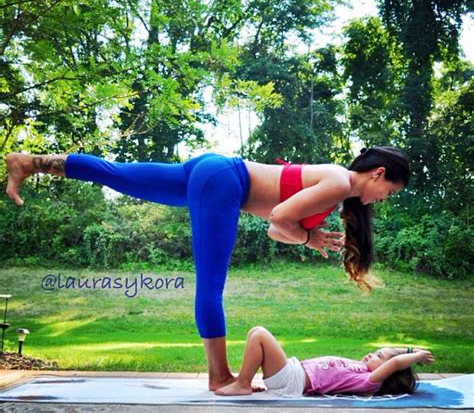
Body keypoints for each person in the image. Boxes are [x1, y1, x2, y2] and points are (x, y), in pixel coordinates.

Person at [4, 146, 410, 390]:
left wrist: (306, 237)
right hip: (224, 181)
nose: (382, 199)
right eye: (389, 191)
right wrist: (308, 237)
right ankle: (218, 377)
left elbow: (275, 232)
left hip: (215, 170)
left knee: (120, 175)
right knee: (211, 284)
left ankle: (29, 162)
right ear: (378, 173)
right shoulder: (338, 182)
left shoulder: (336, 187)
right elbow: (279, 220)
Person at [215, 326, 434, 397]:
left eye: (379, 357)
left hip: (293, 381)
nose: (372, 354)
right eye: (376, 351)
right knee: (256, 331)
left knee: (260, 334)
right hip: (293, 373)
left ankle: (243, 383)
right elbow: (392, 358)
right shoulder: (360, 367)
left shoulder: (369, 380)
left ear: (386, 372)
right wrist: (406, 348)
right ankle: (245, 381)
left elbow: (395, 363)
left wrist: (416, 356)